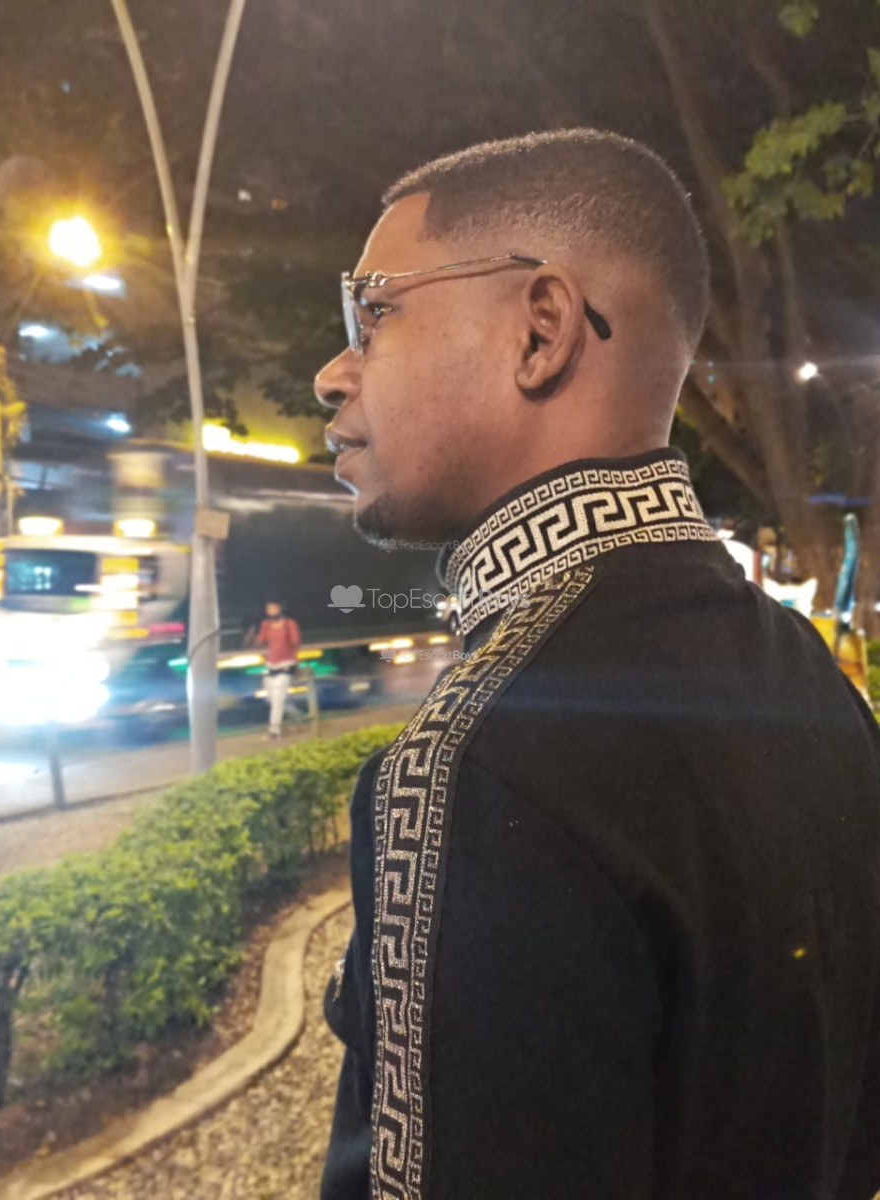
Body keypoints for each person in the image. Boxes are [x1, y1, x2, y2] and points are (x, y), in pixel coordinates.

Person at [314, 129, 880, 1200]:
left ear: (541, 330)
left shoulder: (477, 763)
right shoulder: (807, 677)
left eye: (373, 315)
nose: (332, 373)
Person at [255, 601, 301, 738]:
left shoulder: (289, 624)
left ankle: (274, 731)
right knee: (271, 699)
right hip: (270, 665)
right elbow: (260, 641)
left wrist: (294, 661)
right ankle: (297, 717)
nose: (271, 611)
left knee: (277, 699)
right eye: (268, 608)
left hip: (286, 665)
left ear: (281, 608)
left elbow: (295, 642)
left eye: (274, 608)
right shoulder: (265, 624)